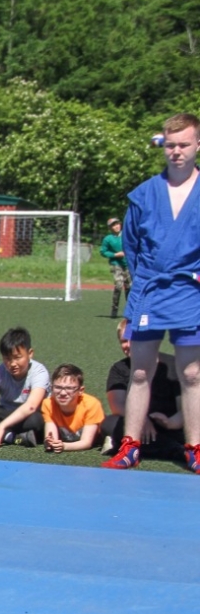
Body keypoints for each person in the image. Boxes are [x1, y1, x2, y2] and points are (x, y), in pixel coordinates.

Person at [104, 113, 200, 473]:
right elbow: (130, 245)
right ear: (164, 145)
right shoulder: (144, 194)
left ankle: (195, 447)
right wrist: (142, 282)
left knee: (192, 374)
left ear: (197, 146)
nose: (177, 152)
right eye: (171, 145)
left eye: (184, 145)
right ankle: (129, 445)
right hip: (150, 290)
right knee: (141, 371)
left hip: (191, 291)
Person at [101, 318, 182, 458]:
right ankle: (175, 450)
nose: (128, 345)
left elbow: (186, 407)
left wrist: (170, 423)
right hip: (136, 424)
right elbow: (117, 405)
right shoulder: (119, 369)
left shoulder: (172, 365)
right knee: (110, 423)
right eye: (124, 341)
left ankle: (142, 447)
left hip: (170, 424)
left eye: (133, 339)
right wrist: (141, 419)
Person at [41, 364, 103, 453]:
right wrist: (50, 442)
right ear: (51, 388)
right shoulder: (48, 403)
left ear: (80, 390)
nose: (62, 393)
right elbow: (51, 436)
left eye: (69, 388)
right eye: (58, 387)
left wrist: (64, 446)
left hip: (95, 439)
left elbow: (86, 442)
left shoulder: (91, 404)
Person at [100, 216, 129, 318]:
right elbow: (103, 252)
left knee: (129, 287)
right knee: (118, 286)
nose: (116, 226)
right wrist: (115, 255)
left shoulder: (127, 235)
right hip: (116, 264)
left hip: (128, 264)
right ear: (110, 228)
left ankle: (130, 310)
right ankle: (114, 308)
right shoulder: (108, 239)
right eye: (113, 225)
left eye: (117, 224)